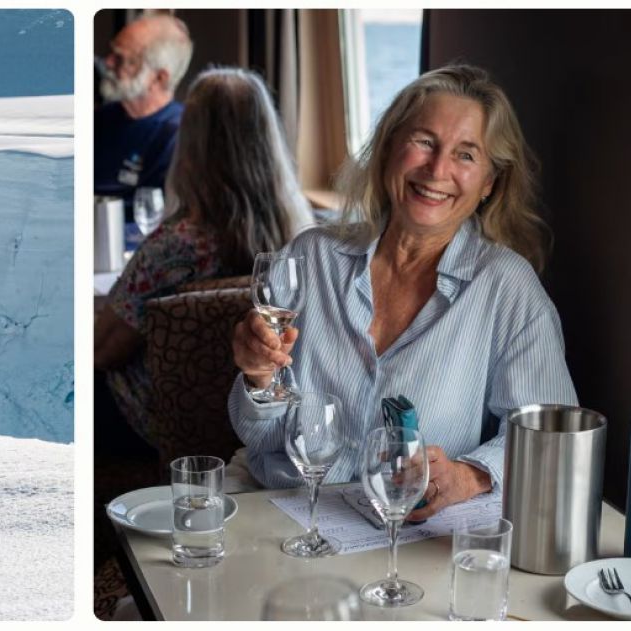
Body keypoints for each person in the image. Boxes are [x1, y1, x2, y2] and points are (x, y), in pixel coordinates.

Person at [227, 65, 576, 518]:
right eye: (424, 142)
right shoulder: (308, 259)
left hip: (412, 531)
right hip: (286, 510)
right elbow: (263, 439)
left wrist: (470, 475)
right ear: (389, 148)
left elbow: (549, 435)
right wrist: (258, 379)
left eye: (466, 155)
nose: (437, 170)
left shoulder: (507, 287)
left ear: (489, 183)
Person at [96, 67, 314, 431]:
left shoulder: (172, 247)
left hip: (157, 424)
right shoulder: (302, 236)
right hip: (258, 422)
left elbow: (102, 351)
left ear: (190, 145)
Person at [94, 13, 194, 206]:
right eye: (111, 52)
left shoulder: (182, 135)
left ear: (158, 78)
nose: (108, 62)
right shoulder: (97, 120)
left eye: (121, 59)